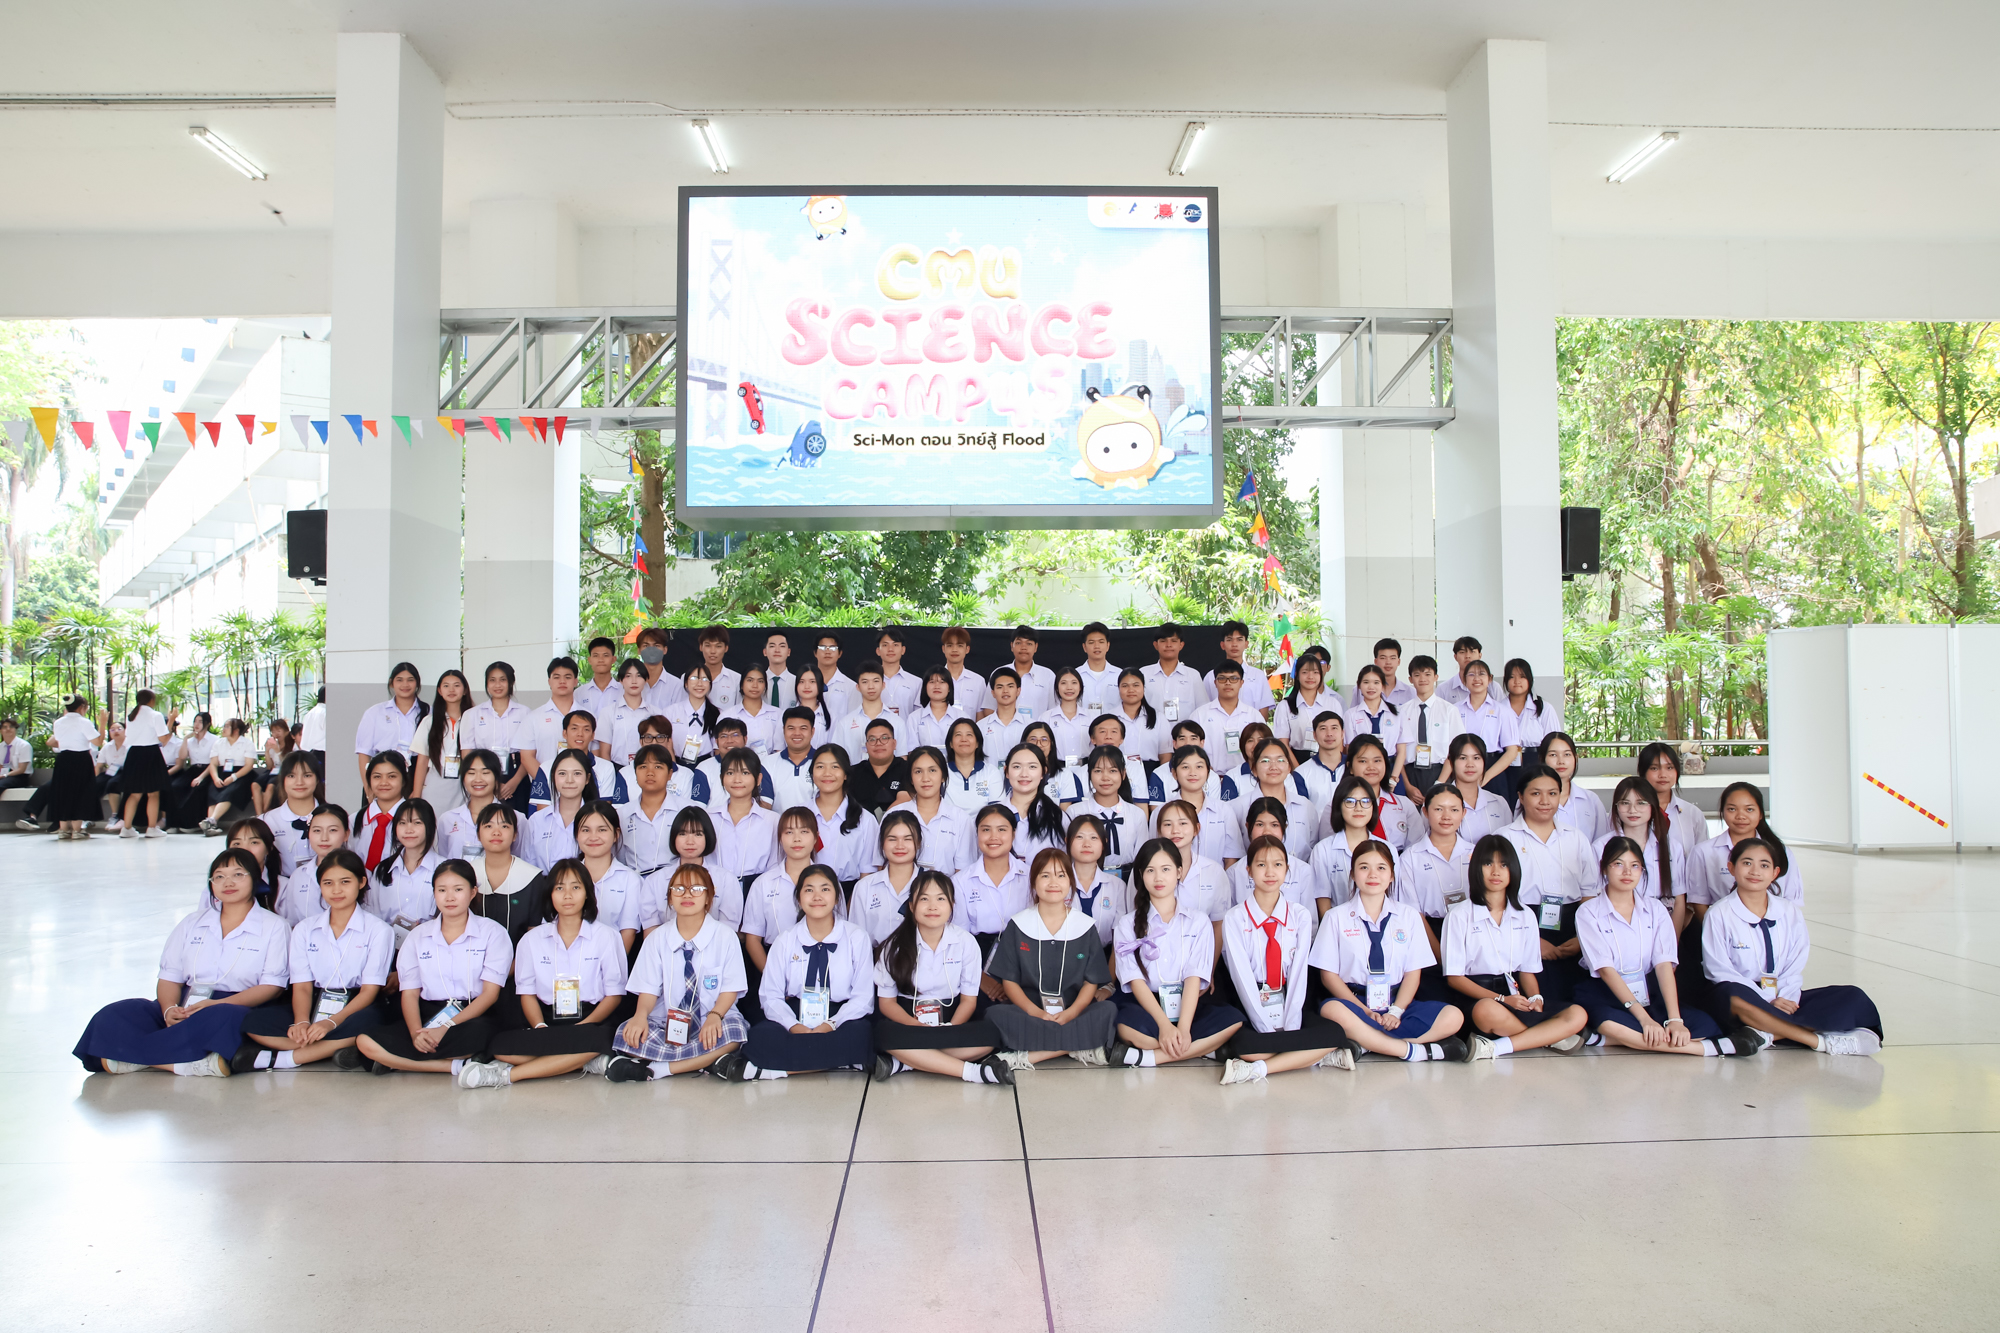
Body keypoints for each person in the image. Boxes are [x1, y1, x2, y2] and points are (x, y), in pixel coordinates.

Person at [75, 847, 289, 1077]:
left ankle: (133, 1056)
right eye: (219, 876)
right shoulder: (191, 922)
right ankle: (184, 1062)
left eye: (238, 874)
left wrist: (215, 1005)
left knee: (227, 1019)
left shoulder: (275, 926)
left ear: (255, 879)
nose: (228, 882)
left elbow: (272, 987)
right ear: (211, 884)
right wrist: (169, 1009)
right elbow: (169, 976)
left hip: (234, 1005)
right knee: (116, 1014)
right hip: (185, 1004)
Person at [1701, 837, 1882, 1055]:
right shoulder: (1719, 914)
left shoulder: (1789, 911)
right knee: (1732, 995)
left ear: (1775, 873)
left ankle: (1764, 1034)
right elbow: (1719, 970)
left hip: (1784, 995)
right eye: (1747, 863)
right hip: (1746, 1000)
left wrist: (1786, 998)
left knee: (1853, 997)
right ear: (1731, 868)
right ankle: (1818, 1041)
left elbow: (1795, 963)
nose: (1755, 871)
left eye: (1764, 865)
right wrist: (1768, 1001)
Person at [1573, 836, 1750, 1057]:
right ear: (1604, 868)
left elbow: (1664, 965)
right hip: (1606, 990)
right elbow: (1606, 970)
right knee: (1614, 1025)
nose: (1627, 872)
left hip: (1648, 990)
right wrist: (1644, 1019)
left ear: (1642, 870)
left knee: (1702, 1025)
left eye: (1634, 865)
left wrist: (1675, 1019)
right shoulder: (1588, 912)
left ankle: (1605, 1041)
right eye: (1618, 864)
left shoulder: (1655, 909)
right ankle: (1707, 1049)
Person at [464, 858, 631, 1088]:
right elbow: (527, 994)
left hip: (592, 1020)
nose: (567, 895)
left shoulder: (607, 936)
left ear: (587, 893)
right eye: (559, 888)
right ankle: (584, 1061)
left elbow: (614, 995)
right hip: (546, 1021)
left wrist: (583, 1027)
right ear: (550, 894)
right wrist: (540, 1028)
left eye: (576, 887)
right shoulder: (532, 940)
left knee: (604, 1037)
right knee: (500, 1046)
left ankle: (507, 1076)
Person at [1308, 839, 1468, 1062]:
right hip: (1355, 1004)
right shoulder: (1335, 917)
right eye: (1364, 867)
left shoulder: (1409, 916)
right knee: (1331, 1010)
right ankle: (1414, 1050)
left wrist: (1396, 1011)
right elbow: (1328, 976)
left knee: (1453, 1016)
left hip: (1397, 1003)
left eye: (1381, 868)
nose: (1373, 874)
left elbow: (1413, 973)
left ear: (1392, 875)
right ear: (1353, 874)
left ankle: (1368, 1044)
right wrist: (1365, 1011)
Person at [236, 848, 389, 1071]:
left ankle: (285, 1059)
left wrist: (331, 1022)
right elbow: (302, 986)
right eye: (328, 883)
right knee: (254, 1022)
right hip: (315, 1001)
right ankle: (333, 1048)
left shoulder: (378, 930)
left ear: (361, 882)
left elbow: (369, 992)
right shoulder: (305, 929)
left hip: (356, 1003)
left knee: (370, 1022)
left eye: (345, 882)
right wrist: (301, 1022)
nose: (336, 890)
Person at [1219, 836, 1358, 1083]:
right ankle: (1313, 1056)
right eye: (1261, 865)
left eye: (1278, 864)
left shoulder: (1299, 915)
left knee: (1335, 1033)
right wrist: (1265, 1028)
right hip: (1251, 1001)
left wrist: (1290, 1027)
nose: (1270, 872)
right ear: (1248, 870)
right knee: (1248, 1044)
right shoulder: (1235, 918)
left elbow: (1299, 975)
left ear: (1287, 869)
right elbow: (1242, 979)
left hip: (1291, 999)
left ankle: (1257, 1069)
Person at [717, 864, 875, 1080]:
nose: (817, 896)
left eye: (825, 889)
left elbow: (863, 997)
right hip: (796, 1013)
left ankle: (769, 1071)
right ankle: (844, 1061)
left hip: (841, 1016)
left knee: (862, 1034)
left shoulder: (856, 937)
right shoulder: (785, 940)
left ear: (837, 897)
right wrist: (793, 1026)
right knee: (760, 1036)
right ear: (799, 899)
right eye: (809, 890)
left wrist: (830, 1024)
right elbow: (771, 996)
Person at [356, 859, 513, 1076]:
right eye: (442, 890)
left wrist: (445, 1028)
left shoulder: (493, 933)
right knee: (365, 1041)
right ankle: (456, 1066)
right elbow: (410, 993)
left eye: (458, 889)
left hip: (472, 1015)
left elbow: (490, 995)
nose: (449, 897)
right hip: (428, 1014)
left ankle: (396, 1061)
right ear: (434, 893)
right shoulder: (418, 936)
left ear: (472, 892)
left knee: (482, 1034)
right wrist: (415, 1033)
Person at [1444, 835, 1590, 1060]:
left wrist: (1536, 999)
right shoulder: (1459, 915)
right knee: (1487, 1010)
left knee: (1578, 1014)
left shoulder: (1525, 915)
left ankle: (1497, 1047)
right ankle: (1551, 1037)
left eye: (1503, 864)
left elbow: (1527, 971)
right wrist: (1501, 999)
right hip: (1478, 997)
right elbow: (1455, 979)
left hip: (1516, 994)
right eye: (1488, 863)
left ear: (1513, 869)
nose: (1496, 872)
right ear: (1475, 868)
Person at [1107, 839, 1244, 1067]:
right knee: (1126, 1026)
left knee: (1234, 1021)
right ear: (1141, 875)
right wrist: (1164, 1026)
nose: (1158, 878)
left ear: (1179, 872)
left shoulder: (1198, 921)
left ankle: (1149, 1058)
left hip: (1186, 1003)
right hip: (1147, 1005)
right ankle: (1203, 1050)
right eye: (1150, 870)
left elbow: (1194, 977)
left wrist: (1183, 1028)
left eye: (1165, 869)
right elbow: (1135, 981)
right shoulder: (1127, 924)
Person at [606, 864, 749, 1080]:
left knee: (735, 1033)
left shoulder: (726, 936)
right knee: (627, 1033)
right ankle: (707, 1062)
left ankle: (660, 1069)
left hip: (712, 1017)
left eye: (696, 889)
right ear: (670, 898)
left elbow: (731, 988)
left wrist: (715, 1016)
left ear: (708, 897)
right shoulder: (656, 938)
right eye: (679, 889)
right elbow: (648, 989)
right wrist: (640, 1016)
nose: (687, 895)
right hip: (667, 1022)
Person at [871, 871, 1011, 1084]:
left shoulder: (966, 943)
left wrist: (951, 1028)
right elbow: (887, 1003)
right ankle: (974, 1072)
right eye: (924, 899)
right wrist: (916, 1027)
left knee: (991, 1035)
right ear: (911, 906)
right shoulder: (893, 946)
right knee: (884, 1033)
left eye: (940, 899)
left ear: (952, 905)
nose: (932, 906)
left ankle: (907, 1062)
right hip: (908, 1021)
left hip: (952, 1020)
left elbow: (968, 1001)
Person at [983, 848, 1118, 1069]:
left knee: (1107, 1011)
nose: (1053, 882)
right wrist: (1035, 1012)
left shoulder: (1085, 926)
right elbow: (1009, 981)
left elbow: (1091, 982)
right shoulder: (1018, 924)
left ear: (1070, 882)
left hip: (1073, 1011)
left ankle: (1028, 1055)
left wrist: (1072, 1013)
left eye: (1061, 875)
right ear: (1034, 882)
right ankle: (1077, 1046)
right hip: (1029, 1012)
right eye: (1045, 875)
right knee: (995, 1015)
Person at [1496, 767, 1599, 1009]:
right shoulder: (1504, 838)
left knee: (1578, 999)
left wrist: (1581, 937)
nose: (1545, 801)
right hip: (1522, 924)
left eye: (1552, 793)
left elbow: (1590, 892)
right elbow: (1497, 896)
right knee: (1538, 999)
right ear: (1521, 797)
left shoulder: (1575, 837)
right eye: (1536, 794)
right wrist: (1533, 940)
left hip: (1573, 926)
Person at [741, 807, 820, 1001]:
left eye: (804, 831)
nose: (797, 839)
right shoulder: (763, 883)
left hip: (820, 963)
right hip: (774, 964)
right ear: (780, 838)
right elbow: (753, 940)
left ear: (815, 838)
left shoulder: (828, 881)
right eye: (789, 832)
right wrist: (774, 979)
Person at [1686, 782, 1803, 909]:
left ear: (1761, 814)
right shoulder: (1703, 852)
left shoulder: (1780, 851)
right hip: (1722, 920)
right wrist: (1716, 922)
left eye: (1749, 809)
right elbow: (1698, 901)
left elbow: (1792, 900)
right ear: (1722, 812)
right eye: (1732, 809)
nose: (1741, 816)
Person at [1595, 777, 1689, 929]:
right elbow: (1595, 896)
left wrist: (1672, 940)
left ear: (1653, 806)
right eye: (1625, 803)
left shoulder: (1672, 848)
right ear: (1616, 807)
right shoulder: (1601, 847)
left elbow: (1679, 900)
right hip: (1616, 928)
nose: (1633, 810)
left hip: (1661, 930)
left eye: (1641, 803)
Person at [1311, 775, 1399, 909]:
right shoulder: (1323, 850)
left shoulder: (1388, 849)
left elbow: (1394, 896)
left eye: (1365, 801)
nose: (1358, 808)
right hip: (1338, 921)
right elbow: (1323, 899)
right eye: (1350, 801)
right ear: (1338, 806)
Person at [468, 802, 550, 945]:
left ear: (515, 835)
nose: (496, 832)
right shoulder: (466, 875)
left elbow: (534, 931)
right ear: (478, 835)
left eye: (504, 826)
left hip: (520, 957)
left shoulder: (533, 878)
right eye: (488, 826)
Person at [954, 804, 1032, 954]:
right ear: (977, 833)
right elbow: (961, 934)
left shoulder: (1030, 876)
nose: (993, 837)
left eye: (1001, 829)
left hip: (1023, 952)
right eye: (986, 830)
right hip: (977, 953)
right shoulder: (960, 882)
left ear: (1013, 834)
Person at [1062, 744, 1150, 872]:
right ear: (1089, 774)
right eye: (1098, 771)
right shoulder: (1075, 812)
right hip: (1086, 875)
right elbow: (1068, 854)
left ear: (1123, 774)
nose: (1105, 778)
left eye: (1112, 771)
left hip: (1129, 877)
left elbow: (1142, 857)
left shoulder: (1136, 814)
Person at [1226, 738, 1318, 861]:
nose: (1273, 767)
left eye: (1280, 760)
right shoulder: (1236, 807)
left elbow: (1313, 850)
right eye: (1265, 761)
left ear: (1289, 767)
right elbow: (1232, 855)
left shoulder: (1306, 807)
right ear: (1254, 768)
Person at [1218, 799, 1313, 917]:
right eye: (1260, 824)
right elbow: (1229, 916)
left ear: (1284, 827)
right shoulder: (1234, 872)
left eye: (1274, 825)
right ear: (1248, 826)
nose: (1267, 831)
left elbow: (1310, 921)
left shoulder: (1303, 870)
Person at [1147, 745, 1239, 866]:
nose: (1193, 773)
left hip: (1215, 877)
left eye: (1199, 766)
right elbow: (1154, 854)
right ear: (1174, 773)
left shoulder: (1224, 810)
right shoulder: (1160, 812)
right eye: (1185, 767)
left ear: (1208, 772)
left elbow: (1231, 858)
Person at [807, 744, 882, 889]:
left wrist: (853, 900)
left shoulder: (865, 819)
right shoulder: (800, 814)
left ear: (846, 774)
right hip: (806, 892)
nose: (827, 773)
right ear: (812, 773)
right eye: (820, 767)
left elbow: (868, 872)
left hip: (851, 892)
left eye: (835, 767)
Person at [369, 798, 442, 944]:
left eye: (417, 823)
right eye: (402, 823)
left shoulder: (444, 868)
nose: (409, 830)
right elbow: (372, 913)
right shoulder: (383, 869)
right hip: (387, 945)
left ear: (429, 826)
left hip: (429, 945)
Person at [460, 661, 532, 810]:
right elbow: (467, 753)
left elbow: (529, 752)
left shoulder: (525, 713)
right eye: (492, 680)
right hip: (482, 772)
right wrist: (490, 781)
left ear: (511, 682)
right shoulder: (472, 714)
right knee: (485, 817)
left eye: (502, 680)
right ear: (487, 684)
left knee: (516, 818)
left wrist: (514, 782)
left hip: (517, 772)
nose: (497, 685)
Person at [1388, 655, 1462, 797]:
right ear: (1410, 679)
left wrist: (1440, 783)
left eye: (1427, 674)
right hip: (1410, 773)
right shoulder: (1401, 712)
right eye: (1417, 675)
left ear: (1436, 677)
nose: (1422, 679)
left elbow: (1456, 751)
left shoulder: (1449, 710)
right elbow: (1398, 751)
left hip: (1440, 773)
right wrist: (1407, 786)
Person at [846, 810, 924, 943]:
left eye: (907, 839)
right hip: (875, 956)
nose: (900, 846)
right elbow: (856, 940)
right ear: (882, 843)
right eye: (892, 839)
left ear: (918, 843)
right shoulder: (865, 887)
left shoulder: (931, 884)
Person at [352, 661, 429, 785]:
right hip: (383, 772)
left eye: (410, 680)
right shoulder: (375, 712)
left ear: (417, 683)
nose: (405, 684)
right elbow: (364, 753)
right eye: (399, 680)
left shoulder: (429, 712)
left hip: (418, 775)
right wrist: (368, 788)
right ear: (391, 683)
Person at [900, 747, 973, 875]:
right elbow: (882, 866)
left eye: (932, 770)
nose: (925, 778)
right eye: (918, 771)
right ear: (911, 778)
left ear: (943, 776)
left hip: (947, 887)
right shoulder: (896, 815)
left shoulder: (961, 819)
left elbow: (963, 872)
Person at [519, 656, 583, 800]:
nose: (562, 681)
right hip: (544, 790)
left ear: (575, 681)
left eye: (567, 677)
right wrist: (549, 782)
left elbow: (594, 754)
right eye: (556, 677)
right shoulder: (533, 717)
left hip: (579, 789)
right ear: (549, 681)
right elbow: (527, 757)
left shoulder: (587, 716)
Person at [522, 748, 598, 869]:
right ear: (553, 777)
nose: (569, 780)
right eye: (562, 773)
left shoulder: (598, 819)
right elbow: (528, 866)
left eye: (577, 773)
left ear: (587, 778)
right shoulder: (536, 821)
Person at [39, 695, 101, 841]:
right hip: (81, 759)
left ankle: (64, 830)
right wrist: (103, 723)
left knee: (63, 792)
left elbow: (57, 741)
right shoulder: (84, 722)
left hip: (63, 759)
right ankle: (77, 830)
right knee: (80, 792)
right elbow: (97, 741)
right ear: (81, 707)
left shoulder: (58, 722)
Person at [274, 805, 350, 925]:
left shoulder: (360, 873)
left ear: (346, 834)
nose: (324, 838)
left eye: (332, 830)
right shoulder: (298, 876)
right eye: (317, 831)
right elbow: (293, 921)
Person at [1187, 661, 1263, 774]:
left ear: (1241, 682)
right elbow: (1189, 749)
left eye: (1234, 678)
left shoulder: (1254, 716)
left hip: (1245, 777)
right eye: (1222, 679)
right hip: (1208, 777)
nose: (1228, 683)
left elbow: (1265, 748)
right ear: (1215, 683)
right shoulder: (1199, 715)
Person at [1637, 741, 1708, 860]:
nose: (1663, 775)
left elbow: (1702, 858)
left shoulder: (1692, 814)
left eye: (1669, 767)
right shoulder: (1628, 812)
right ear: (1643, 772)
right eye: (1654, 768)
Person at [118, 689, 174, 838]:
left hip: (134, 754)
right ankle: (152, 828)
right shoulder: (155, 715)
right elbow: (164, 739)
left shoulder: (131, 716)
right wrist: (171, 721)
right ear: (151, 700)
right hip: (150, 754)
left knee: (134, 794)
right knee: (153, 793)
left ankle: (126, 828)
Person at [998, 742, 1067, 861]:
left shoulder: (1057, 816)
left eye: (1032, 767)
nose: (1024, 774)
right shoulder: (993, 815)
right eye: (1017, 767)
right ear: (1006, 772)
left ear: (1043, 772)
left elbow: (1066, 860)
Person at [188, 718, 258, 834]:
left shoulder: (247, 743)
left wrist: (233, 777)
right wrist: (215, 778)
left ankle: (211, 821)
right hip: (222, 772)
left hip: (241, 775)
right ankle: (211, 825)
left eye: (227, 726)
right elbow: (213, 764)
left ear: (236, 730)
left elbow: (249, 765)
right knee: (213, 792)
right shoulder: (219, 743)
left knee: (229, 793)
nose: (223, 729)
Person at [434, 748, 507, 860]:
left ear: (496, 778)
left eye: (485, 773)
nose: (478, 779)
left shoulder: (514, 818)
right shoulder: (447, 819)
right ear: (463, 778)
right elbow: (443, 858)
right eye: (471, 773)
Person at [412, 668, 472, 800]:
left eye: (456, 685)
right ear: (439, 691)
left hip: (466, 782)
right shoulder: (429, 721)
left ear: (465, 690)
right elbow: (422, 761)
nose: (451, 690)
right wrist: (416, 794)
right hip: (436, 782)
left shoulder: (473, 720)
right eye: (446, 686)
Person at [1538, 731, 1609, 843]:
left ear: (1575, 758)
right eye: (1553, 755)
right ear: (1542, 759)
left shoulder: (1591, 800)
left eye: (1567, 754)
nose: (1561, 761)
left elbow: (1602, 843)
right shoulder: (1531, 799)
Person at [1439, 734, 1509, 841]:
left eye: (1476, 758)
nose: (1470, 764)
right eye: (1463, 758)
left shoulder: (1499, 803)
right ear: (1451, 762)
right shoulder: (1437, 802)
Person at [1065, 813, 1123, 942]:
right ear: (1067, 841)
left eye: (1094, 838)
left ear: (1104, 843)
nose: (1087, 844)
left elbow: (1120, 932)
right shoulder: (1058, 883)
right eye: (1079, 837)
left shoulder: (1117, 885)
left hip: (1106, 952)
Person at [351, 751, 411, 872]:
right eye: (377, 777)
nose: (384, 782)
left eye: (392, 776)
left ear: (404, 780)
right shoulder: (354, 819)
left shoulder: (416, 818)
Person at [1499, 659, 1551, 799]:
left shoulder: (1543, 708)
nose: (1517, 681)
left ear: (1529, 679)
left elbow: (1553, 743)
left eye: (1522, 676)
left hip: (1535, 761)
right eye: (1512, 677)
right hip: (1505, 765)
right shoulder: (1497, 708)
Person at [1141, 621, 1207, 726]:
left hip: (1184, 734)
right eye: (1163, 641)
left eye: (1173, 641)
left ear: (1181, 645)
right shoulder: (1144, 673)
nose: (1168, 645)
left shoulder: (1193, 675)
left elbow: (1202, 709)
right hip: (1152, 732)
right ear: (1156, 645)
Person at [1206, 619, 1273, 715]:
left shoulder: (1258, 676)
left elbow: (1263, 710)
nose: (1234, 644)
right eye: (1229, 639)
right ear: (1222, 645)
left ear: (1246, 644)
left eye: (1239, 639)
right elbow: (1205, 707)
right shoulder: (1211, 676)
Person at [1275, 654, 1334, 760]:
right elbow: (1283, 743)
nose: (1310, 677)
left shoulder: (1332, 703)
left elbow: (1339, 739)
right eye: (1305, 672)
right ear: (1297, 675)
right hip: (1296, 759)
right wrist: (1297, 768)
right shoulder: (1285, 706)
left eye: (1315, 672)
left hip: (1327, 759)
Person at [847, 719, 913, 814]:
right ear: (866, 746)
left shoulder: (908, 769)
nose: (878, 743)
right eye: (872, 739)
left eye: (884, 738)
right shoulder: (853, 772)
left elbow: (904, 799)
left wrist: (885, 821)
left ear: (894, 744)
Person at [602, 658, 656, 767]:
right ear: (621, 680)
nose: (634, 681)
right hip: (617, 768)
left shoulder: (655, 713)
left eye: (639, 676)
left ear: (646, 679)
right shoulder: (608, 712)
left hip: (649, 768)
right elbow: (604, 752)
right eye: (628, 676)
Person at [766, 708, 822, 811]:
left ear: (812, 731)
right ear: (783, 731)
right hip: (779, 821)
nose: (797, 733)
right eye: (791, 728)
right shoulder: (768, 763)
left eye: (803, 728)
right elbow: (765, 806)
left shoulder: (824, 763)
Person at [1344, 664, 1401, 760]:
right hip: (1362, 764)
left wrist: (1395, 771)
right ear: (1359, 685)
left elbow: (1402, 751)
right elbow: (1349, 748)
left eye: (1376, 682)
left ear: (1383, 685)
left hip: (1391, 764)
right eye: (1366, 682)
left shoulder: (1397, 712)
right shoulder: (1350, 714)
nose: (1371, 687)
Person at [727, 663, 783, 754]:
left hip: (771, 762)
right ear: (741, 685)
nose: (755, 685)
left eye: (760, 681)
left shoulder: (777, 714)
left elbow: (781, 750)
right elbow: (719, 751)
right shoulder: (728, 715)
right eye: (750, 680)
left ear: (765, 686)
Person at [909, 668, 968, 752]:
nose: (937, 686)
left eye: (942, 682)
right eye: (932, 682)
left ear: (949, 688)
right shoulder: (914, 718)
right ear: (925, 687)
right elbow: (912, 750)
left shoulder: (962, 716)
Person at [1348, 637, 1416, 709]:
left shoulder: (1411, 692)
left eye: (1392, 658)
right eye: (1383, 658)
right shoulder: (1360, 690)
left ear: (1398, 661)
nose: (1388, 662)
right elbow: (1354, 712)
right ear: (1376, 661)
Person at [978, 666, 1031, 754]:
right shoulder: (980, 726)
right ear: (993, 693)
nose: (1005, 691)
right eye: (1000, 687)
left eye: (1010, 686)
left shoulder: (1029, 725)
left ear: (1018, 691)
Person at [1044, 666, 1092, 762]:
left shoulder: (1091, 717)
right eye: (1063, 683)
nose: (1069, 688)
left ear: (1080, 687)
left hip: (1086, 767)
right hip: (1056, 767)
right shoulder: (1046, 717)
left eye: (1074, 683)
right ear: (1057, 688)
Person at [873, 627, 922, 718]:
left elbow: (918, 715)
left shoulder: (916, 682)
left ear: (903, 650)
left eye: (895, 645)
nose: (890, 649)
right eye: (885, 645)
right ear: (878, 651)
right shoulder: (869, 681)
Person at [250, 717, 294, 816]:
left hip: (284, 771)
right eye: (273, 731)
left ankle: (264, 814)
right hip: (273, 770)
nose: (276, 734)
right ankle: (259, 815)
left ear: (286, 731)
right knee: (255, 784)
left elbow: (287, 765)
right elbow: (269, 766)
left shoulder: (292, 745)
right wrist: (267, 751)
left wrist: (278, 751)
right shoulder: (273, 743)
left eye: (279, 730)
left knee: (270, 786)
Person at [635, 627, 687, 713]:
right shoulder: (630, 684)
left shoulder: (676, 685)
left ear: (665, 650)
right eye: (646, 646)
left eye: (656, 646)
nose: (651, 650)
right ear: (639, 650)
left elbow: (679, 716)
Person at [577, 634, 622, 728]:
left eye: (605, 655)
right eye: (596, 655)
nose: (601, 660)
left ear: (613, 659)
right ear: (590, 660)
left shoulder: (624, 691)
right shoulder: (579, 693)